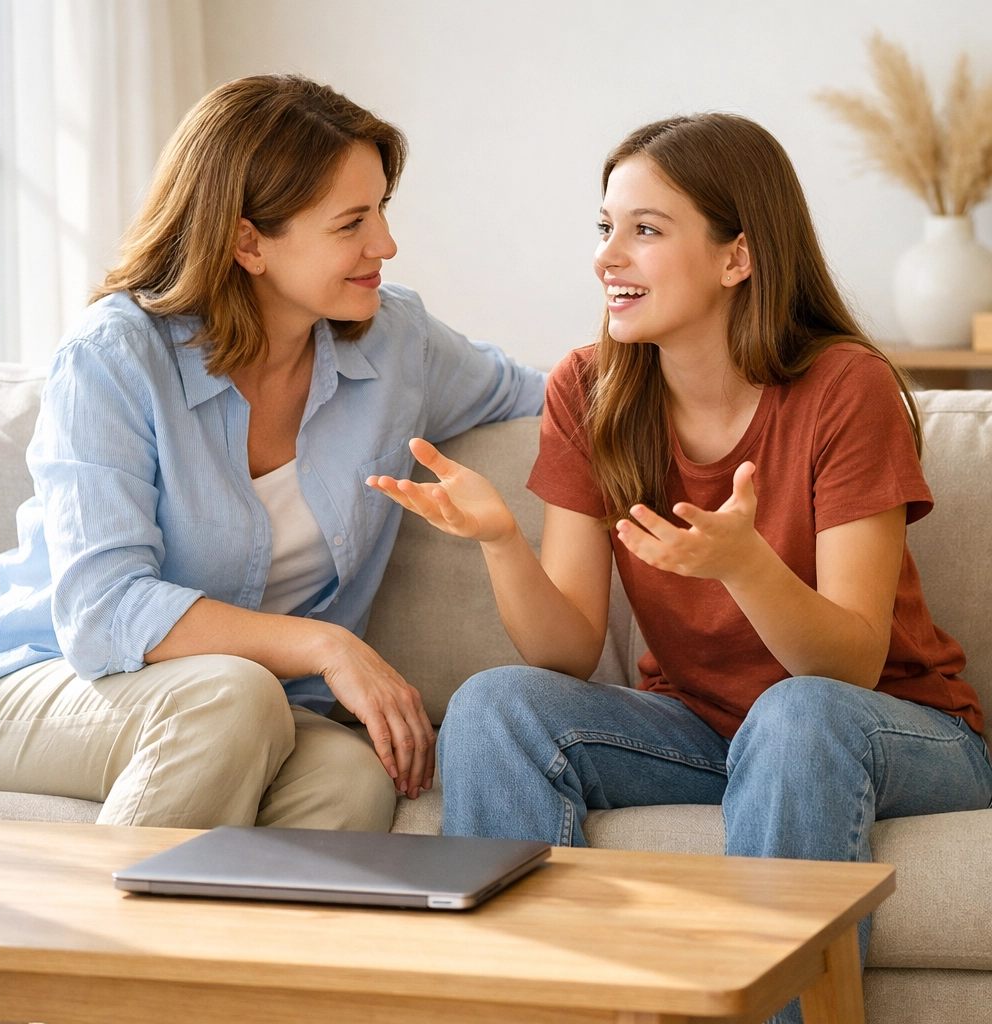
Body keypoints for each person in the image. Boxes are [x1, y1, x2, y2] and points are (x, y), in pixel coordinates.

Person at [368, 113, 991, 1022]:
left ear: (738, 256)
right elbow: (569, 651)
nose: (607, 256)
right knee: (497, 704)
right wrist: (504, 540)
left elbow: (850, 668)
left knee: (798, 715)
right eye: (605, 227)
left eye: (646, 230)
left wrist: (746, 566)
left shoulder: (843, 388)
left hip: (891, 727)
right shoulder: (589, 388)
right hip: (702, 729)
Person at [0, 74, 545, 832]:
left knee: (349, 776)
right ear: (248, 241)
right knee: (231, 696)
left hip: (260, 706)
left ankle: (240, 955)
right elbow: (102, 610)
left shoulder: (397, 342)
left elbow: (555, 395)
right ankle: (100, 951)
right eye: (351, 224)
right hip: (44, 682)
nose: (387, 245)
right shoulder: (115, 356)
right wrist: (324, 645)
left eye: (381, 211)